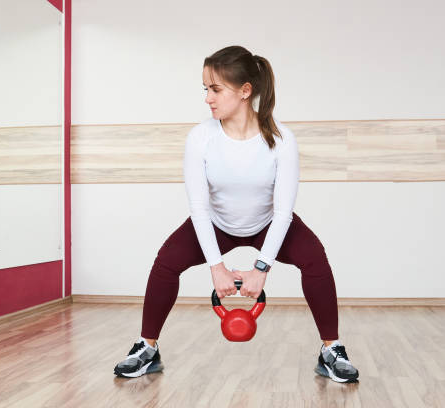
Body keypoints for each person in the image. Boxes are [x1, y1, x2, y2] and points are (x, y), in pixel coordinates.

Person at [113, 45, 359, 383]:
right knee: (166, 261)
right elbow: (199, 208)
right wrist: (217, 267)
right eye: (205, 89)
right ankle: (147, 348)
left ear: (246, 91)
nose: (207, 98)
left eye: (215, 89)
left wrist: (261, 268)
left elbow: (283, 211)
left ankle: (331, 349)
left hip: (267, 223)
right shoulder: (200, 137)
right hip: (217, 224)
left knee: (314, 257)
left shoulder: (282, 138)